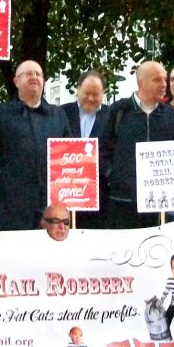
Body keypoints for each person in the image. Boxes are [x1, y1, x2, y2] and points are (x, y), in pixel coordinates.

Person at [100, 61, 174, 229]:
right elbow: (102, 150)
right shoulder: (118, 111)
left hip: (161, 207)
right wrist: (115, 176)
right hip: (123, 203)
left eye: (164, 80)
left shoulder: (172, 116)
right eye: (157, 80)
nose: (164, 85)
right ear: (140, 82)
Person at [0, 60, 72, 231]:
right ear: (16, 81)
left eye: (38, 74)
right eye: (28, 74)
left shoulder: (58, 115)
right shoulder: (0, 114)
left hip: (51, 208)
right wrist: (3, 180)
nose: (34, 77)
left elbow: (69, 154)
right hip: (11, 207)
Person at [62, 69, 110, 229]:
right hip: (66, 193)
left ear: (103, 93)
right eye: (86, 93)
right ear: (77, 90)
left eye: (95, 94)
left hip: (99, 195)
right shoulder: (62, 113)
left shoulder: (111, 116)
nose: (90, 98)